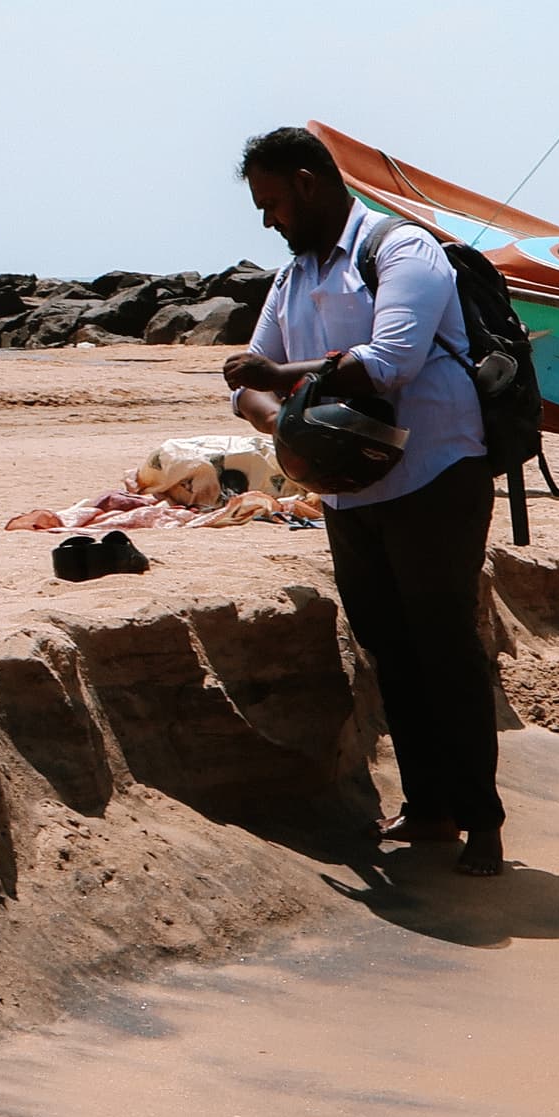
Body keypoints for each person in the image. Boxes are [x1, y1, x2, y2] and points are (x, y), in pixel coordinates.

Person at [221, 125, 506, 877]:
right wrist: (281, 410)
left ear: (311, 183)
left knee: (444, 645)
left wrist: (283, 382)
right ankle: (429, 810)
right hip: (347, 495)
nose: (267, 219)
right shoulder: (290, 279)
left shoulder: (401, 250)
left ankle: (484, 822)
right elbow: (248, 385)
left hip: (435, 474)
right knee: (390, 646)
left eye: (273, 201)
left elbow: (390, 363)